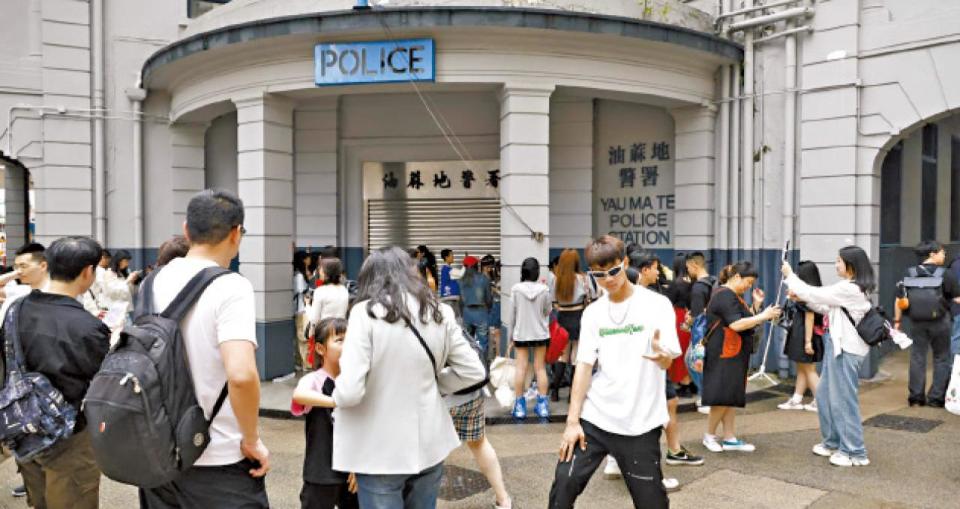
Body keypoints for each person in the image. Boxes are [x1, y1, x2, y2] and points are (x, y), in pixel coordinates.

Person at [140, 189, 270, 508]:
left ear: (187, 229)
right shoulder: (231, 286)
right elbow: (240, 374)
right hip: (218, 457)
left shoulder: (151, 283)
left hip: (158, 454)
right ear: (236, 233)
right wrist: (252, 440)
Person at [331, 247, 485, 507]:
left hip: (379, 451)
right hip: (430, 444)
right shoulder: (438, 311)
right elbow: (474, 371)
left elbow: (350, 392)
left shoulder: (364, 313)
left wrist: (333, 395)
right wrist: (434, 383)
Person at [548, 235, 680, 509]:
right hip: (596, 418)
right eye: (599, 274)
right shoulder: (594, 313)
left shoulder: (657, 305)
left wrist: (663, 358)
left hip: (640, 424)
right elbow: (583, 366)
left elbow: (668, 359)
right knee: (563, 485)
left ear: (625, 263)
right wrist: (573, 422)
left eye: (613, 270)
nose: (608, 279)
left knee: (651, 502)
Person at [4, 236, 111, 509]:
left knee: (39, 501)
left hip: (25, 427)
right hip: (70, 437)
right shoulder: (87, 326)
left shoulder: (16, 310)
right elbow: (99, 386)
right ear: (88, 272)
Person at [782, 246, 875, 467]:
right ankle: (833, 442)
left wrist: (790, 275)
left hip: (847, 349)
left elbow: (816, 294)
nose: (836, 265)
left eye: (839, 261)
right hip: (839, 346)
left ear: (851, 265)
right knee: (824, 396)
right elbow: (825, 306)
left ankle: (855, 451)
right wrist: (801, 298)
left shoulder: (850, 288)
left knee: (843, 400)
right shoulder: (850, 288)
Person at [701, 261, 781, 454]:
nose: (749, 286)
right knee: (722, 397)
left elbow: (743, 320)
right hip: (725, 353)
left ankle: (729, 437)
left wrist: (757, 306)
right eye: (748, 281)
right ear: (737, 277)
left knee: (730, 397)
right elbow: (737, 324)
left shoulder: (730, 295)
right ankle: (709, 436)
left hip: (732, 353)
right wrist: (764, 315)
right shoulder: (725, 296)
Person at [290, 317, 359, 509]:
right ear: (321, 349)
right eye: (339, 340)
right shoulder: (314, 380)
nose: (347, 345)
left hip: (350, 472)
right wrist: (336, 401)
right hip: (320, 473)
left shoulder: (355, 382)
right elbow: (299, 394)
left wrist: (358, 466)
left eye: (350, 339)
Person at [894, 241, 960, 407]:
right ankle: (936, 398)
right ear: (932, 253)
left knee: (918, 357)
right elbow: (957, 298)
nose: (944, 255)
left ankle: (916, 397)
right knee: (941, 358)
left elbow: (899, 299)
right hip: (941, 322)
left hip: (917, 322)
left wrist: (897, 322)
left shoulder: (908, 273)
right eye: (942, 252)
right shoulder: (946, 274)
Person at [778, 261, 824, 412]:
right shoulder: (812, 291)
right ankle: (797, 399)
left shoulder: (809, 294)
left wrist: (808, 342)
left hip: (805, 333)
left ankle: (821, 401)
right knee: (802, 368)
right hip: (804, 332)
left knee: (808, 369)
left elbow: (810, 317)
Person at [509, 257, 552, 419]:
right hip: (540, 333)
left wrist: (512, 335)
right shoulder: (544, 290)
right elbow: (548, 311)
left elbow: (512, 314)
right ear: (537, 273)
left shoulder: (515, 289)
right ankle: (542, 407)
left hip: (521, 333)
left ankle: (520, 407)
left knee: (521, 368)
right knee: (540, 368)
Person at [550, 249, 595, 402]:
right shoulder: (583, 279)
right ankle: (572, 394)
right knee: (576, 357)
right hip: (578, 319)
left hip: (562, 318)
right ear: (576, 262)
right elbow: (592, 298)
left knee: (562, 356)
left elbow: (554, 303)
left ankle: (554, 391)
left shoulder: (556, 280)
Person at [686, 251, 716, 414]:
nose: (688, 272)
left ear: (695, 265)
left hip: (702, 333)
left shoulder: (698, 288)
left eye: (688, 268)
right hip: (713, 330)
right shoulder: (713, 281)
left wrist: (698, 342)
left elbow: (697, 318)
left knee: (694, 362)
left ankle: (707, 397)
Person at [308, 258, 350, 367]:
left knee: (322, 368)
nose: (319, 271)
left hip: (324, 334)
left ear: (327, 272)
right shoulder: (344, 290)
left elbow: (314, 319)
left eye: (321, 269)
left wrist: (311, 334)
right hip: (341, 333)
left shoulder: (320, 291)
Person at [0, 243, 50, 319]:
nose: (18, 271)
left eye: (23, 266)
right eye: (16, 267)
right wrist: (13, 275)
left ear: (43, 266)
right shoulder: (23, 290)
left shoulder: (56, 291)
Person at [460, 255, 493, 357]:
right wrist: (488, 310)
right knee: (482, 343)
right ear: (476, 266)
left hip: (467, 313)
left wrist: (463, 314)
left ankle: (469, 367)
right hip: (481, 313)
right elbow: (489, 299)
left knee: (467, 342)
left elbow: (460, 300)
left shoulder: (461, 280)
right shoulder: (484, 279)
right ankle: (483, 368)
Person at [481, 255, 503, 358]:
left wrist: (496, 290)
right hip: (490, 306)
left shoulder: (493, 278)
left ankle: (495, 355)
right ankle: (492, 355)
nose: (491, 269)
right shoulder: (484, 277)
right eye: (489, 266)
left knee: (495, 331)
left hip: (495, 306)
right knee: (493, 332)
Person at [294, 251, 312, 371]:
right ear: (303, 260)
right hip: (301, 310)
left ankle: (301, 362)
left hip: (301, 310)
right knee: (303, 337)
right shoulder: (299, 276)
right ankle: (305, 364)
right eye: (307, 258)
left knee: (302, 337)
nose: (309, 260)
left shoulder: (300, 274)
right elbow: (302, 290)